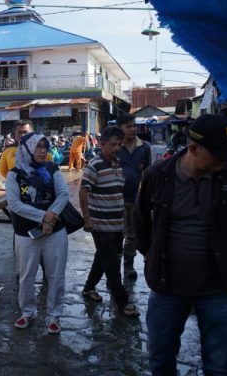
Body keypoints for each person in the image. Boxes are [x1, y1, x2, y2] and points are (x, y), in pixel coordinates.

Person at [135, 114, 227, 376]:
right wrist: (149, 254)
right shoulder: (158, 175)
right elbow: (140, 219)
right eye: (219, 154)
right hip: (167, 285)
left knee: (218, 362)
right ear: (193, 149)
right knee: (160, 356)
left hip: (218, 286)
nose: (226, 160)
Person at [6, 133, 69, 334]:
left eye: (45, 146)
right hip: (26, 233)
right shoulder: (14, 174)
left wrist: (51, 218)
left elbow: (63, 194)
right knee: (26, 275)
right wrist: (44, 217)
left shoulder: (52, 169)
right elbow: (14, 204)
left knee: (56, 275)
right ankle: (28, 312)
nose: (43, 151)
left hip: (55, 232)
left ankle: (54, 315)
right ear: (26, 149)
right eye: (38, 147)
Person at [80, 126, 139, 317]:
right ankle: (122, 302)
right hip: (100, 224)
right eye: (112, 144)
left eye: (119, 145)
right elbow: (83, 191)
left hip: (116, 223)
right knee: (112, 264)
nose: (116, 148)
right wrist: (87, 219)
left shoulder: (117, 164)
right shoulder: (94, 165)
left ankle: (89, 288)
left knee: (103, 258)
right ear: (102, 144)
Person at [116, 113, 151, 280]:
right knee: (117, 235)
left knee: (132, 236)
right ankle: (114, 270)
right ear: (120, 128)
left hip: (136, 199)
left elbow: (148, 174)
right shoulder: (115, 146)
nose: (133, 129)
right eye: (128, 126)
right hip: (116, 199)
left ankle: (128, 266)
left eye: (134, 126)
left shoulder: (144, 147)